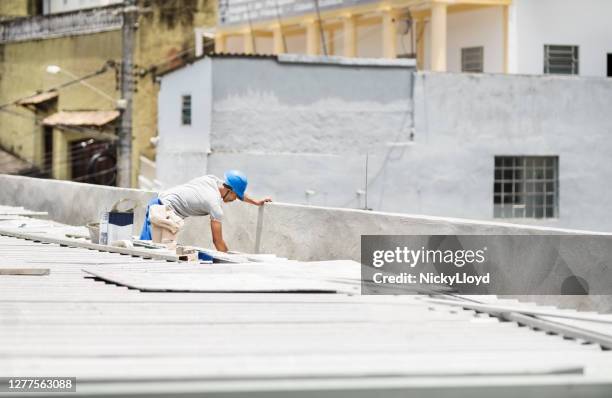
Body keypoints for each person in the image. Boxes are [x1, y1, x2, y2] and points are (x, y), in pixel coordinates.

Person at [139, 170, 271, 252]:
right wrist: (229, 259)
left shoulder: (211, 179)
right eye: (235, 196)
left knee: (143, 249)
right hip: (163, 215)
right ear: (229, 191)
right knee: (153, 252)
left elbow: (237, 191)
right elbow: (217, 242)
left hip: (156, 204)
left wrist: (256, 202)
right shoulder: (214, 205)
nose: (235, 199)